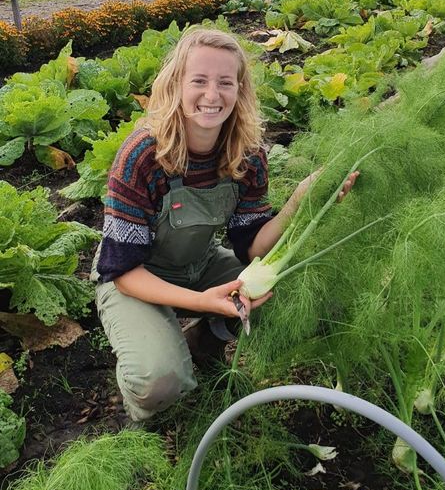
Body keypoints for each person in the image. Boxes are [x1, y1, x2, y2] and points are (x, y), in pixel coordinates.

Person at [95, 28, 358, 424]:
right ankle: (147, 410)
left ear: (240, 89)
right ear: (176, 85)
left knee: (287, 300)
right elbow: (123, 270)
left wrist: (302, 200)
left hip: (199, 264)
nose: (212, 95)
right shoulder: (143, 155)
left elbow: (252, 247)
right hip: (134, 276)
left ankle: (205, 339)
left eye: (225, 83)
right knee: (159, 381)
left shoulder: (247, 155)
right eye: (198, 81)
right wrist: (204, 301)